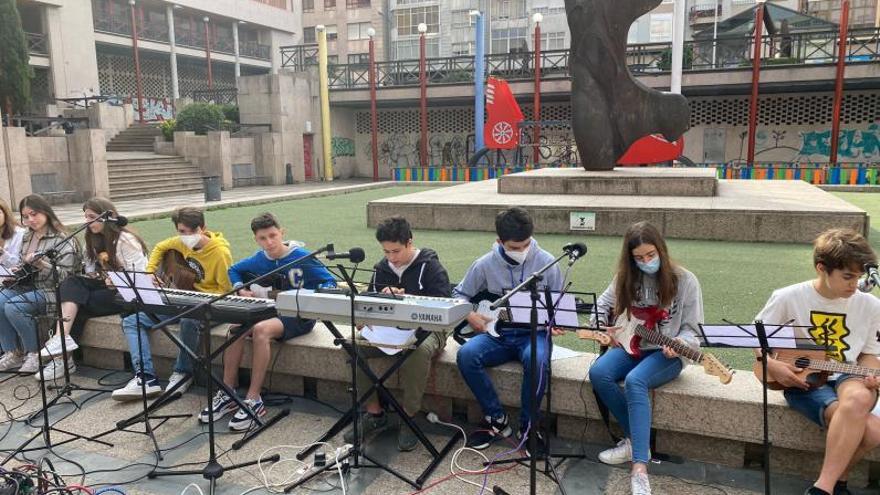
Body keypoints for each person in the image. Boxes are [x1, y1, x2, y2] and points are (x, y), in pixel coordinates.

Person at [756, 228, 880, 495]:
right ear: (821, 268)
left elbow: (869, 353)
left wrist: (873, 373)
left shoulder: (870, 304)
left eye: (859, 276)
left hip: (849, 375)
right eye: (847, 276)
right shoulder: (788, 297)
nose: (854, 284)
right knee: (871, 431)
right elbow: (758, 340)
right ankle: (840, 483)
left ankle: (822, 488)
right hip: (804, 381)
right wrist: (772, 364)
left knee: (857, 401)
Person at [588, 221, 704, 495]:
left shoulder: (685, 280)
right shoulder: (625, 277)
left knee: (635, 381)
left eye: (651, 255)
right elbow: (600, 307)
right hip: (632, 345)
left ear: (661, 250)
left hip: (668, 354)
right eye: (639, 258)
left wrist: (680, 343)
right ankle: (635, 440)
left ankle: (640, 467)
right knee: (599, 373)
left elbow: (693, 330)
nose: (646, 261)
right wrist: (606, 327)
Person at [198, 213, 335, 430]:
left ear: (282, 233)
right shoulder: (259, 258)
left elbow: (329, 281)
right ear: (256, 240)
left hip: (299, 316)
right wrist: (241, 288)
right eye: (263, 238)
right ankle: (228, 392)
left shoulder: (301, 256)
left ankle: (254, 400)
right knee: (235, 329)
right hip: (269, 312)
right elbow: (234, 270)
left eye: (273, 235)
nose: (269, 242)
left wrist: (309, 297)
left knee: (261, 330)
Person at [455, 207, 563, 451]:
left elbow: (557, 303)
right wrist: (470, 314)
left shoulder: (547, 262)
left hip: (533, 334)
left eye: (526, 245)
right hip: (498, 334)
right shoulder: (484, 264)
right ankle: (496, 418)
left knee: (537, 360)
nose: (522, 251)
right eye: (514, 247)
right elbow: (459, 294)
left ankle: (528, 426)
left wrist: (554, 321)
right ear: (499, 242)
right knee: (466, 355)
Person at [342, 216, 452, 451]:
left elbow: (445, 305)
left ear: (410, 242)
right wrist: (372, 311)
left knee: (417, 352)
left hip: (428, 330)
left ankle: (408, 417)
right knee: (351, 345)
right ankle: (374, 413)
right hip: (387, 330)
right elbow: (367, 303)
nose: (391, 258)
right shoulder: (381, 268)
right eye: (386, 251)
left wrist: (406, 300)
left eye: (396, 251)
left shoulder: (429, 266)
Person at [112, 207, 232, 399]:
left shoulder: (220, 252)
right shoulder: (181, 242)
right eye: (181, 231)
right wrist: (150, 273)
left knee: (189, 320)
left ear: (203, 228)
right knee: (132, 321)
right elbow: (160, 247)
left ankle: (183, 372)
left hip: (209, 305)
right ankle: (146, 377)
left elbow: (226, 290)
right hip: (182, 299)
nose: (185, 236)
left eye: (190, 232)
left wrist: (199, 296)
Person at [35, 198, 148, 381]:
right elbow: (90, 270)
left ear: (107, 217)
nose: (87, 221)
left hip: (128, 292)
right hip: (106, 286)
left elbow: (140, 276)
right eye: (86, 216)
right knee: (71, 285)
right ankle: (60, 340)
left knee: (74, 305)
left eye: (93, 217)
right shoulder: (92, 238)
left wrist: (116, 279)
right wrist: (98, 276)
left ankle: (62, 359)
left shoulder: (126, 240)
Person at [0, 195, 81, 376]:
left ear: (46, 212)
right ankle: (13, 352)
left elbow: (68, 278)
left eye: (34, 214)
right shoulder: (27, 236)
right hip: (30, 285)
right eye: (25, 216)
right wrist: (17, 273)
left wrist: (42, 265)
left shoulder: (63, 239)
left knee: (14, 307)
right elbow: (24, 265)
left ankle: (35, 353)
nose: (30, 220)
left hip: (53, 291)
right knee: (0, 299)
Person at [0, 198, 26, 363]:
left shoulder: (19, 234)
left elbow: (20, 264)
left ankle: (12, 351)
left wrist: (2, 253)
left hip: (16, 282)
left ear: (5, 212)